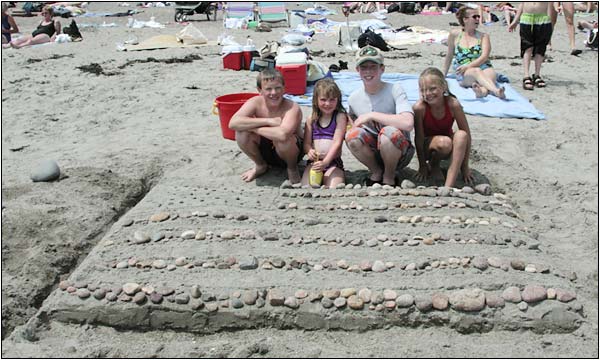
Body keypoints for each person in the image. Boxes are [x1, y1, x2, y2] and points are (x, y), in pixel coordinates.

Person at [345, 45, 415, 186]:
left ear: (382, 69)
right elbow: (352, 124)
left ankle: (389, 176)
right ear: (357, 70)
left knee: (388, 133)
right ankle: (376, 172)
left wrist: (372, 115)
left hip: (399, 150)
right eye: (364, 67)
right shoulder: (353, 98)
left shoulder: (395, 90)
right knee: (351, 136)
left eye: (373, 67)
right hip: (374, 151)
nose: (368, 71)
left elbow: (408, 123)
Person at [229, 68, 303, 184]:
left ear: (284, 88)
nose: (274, 93)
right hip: (265, 150)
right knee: (241, 133)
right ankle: (260, 165)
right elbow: (233, 123)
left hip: (290, 153)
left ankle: (292, 169)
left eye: (278, 88)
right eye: (268, 89)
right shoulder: (255, 102)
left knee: (282, 139)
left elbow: (283, 134)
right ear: (260, 90)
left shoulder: (292, 107)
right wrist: (268, 121)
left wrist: (252, 127)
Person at [413, 67, 473, 188]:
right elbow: (418, 138)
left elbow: (467, 135)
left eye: (432, 89)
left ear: (444, 87)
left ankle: (449, 185)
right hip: (429, 147)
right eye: (423, 90)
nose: (427, 94)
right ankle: (434, 165)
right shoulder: (420, 108)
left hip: (447, 146)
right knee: (444, 142)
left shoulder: (453, 104)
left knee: (461, 135)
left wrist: (465, 166)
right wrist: (422, 166)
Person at [443, 6, 506, 99]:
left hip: (483, 66)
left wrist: (468, 65)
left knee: (489, 73)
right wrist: (443, 75)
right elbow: (449, 55)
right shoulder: (454, 35)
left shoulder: (484, 36)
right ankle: (496, 91)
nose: (478, 19)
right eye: (474, 17)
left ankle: (482, 92)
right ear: (465, 19)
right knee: (476, 71)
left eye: (478, 17)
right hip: (464, 71)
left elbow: (484, 57)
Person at [301, 79, 348, 189]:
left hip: (333, 162)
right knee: (307, 187)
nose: (327, 103)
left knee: (334, 188)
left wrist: (326, 162)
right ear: (316, 100)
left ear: (338, 100)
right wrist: (309, 151)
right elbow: (306, 143)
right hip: (315, 163)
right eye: (323, 100)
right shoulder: (312, 119)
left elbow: (337, 143)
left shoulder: (339, 117)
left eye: (332, 100)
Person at [509, 3, 552, 90]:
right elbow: (521, 4)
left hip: (543, 19)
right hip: (526, 18)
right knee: (527, 47)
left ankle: (537, 74)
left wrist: (550, 26)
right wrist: (515, 21)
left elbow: (551, 7)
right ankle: (526, 75)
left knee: (540, 48)